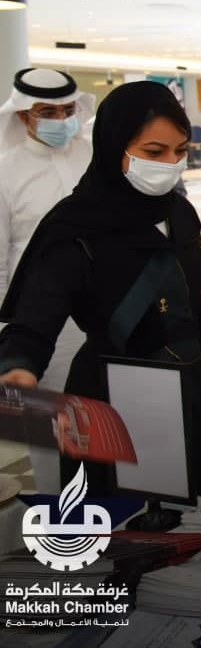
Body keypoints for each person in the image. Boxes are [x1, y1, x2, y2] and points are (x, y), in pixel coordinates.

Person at [0, 81, 201, 496]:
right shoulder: (73, 227)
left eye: (180, 151)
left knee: (199, 512)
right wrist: (19, 370)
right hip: (111, 404)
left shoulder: (179, 212)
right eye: (154, 152)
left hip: (191, 388)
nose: (170, 164)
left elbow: (184, 299)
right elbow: (33, 322)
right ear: (115, 147)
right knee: (127, 521)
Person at [0, 68, 94, 493]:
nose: (61, 120)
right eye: (48, 112)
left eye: (68, 110)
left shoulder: (93, 155)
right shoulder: (6, 171)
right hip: (37, 319)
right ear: (23, 115)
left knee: (104, 412)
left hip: (100, 308)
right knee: (49, 423)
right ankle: (57, 509)